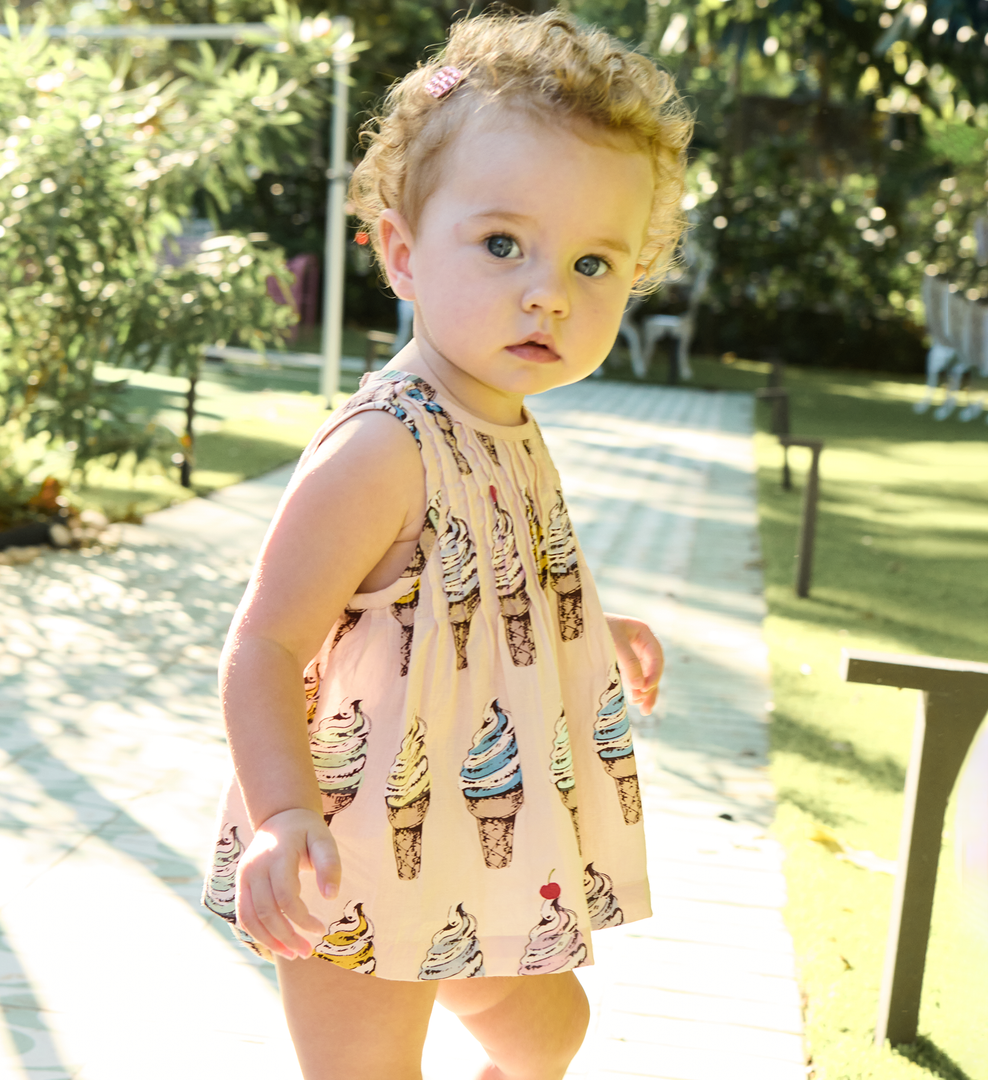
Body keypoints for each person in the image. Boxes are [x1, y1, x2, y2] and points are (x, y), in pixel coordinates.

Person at [202, 11, 692, 1079]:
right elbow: (264, 645)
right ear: (403, 253)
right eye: (503, 244)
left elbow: (476, 583)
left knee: (551, 1032)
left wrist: (588, 624)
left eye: (593, 262)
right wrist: (283, 817)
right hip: (353, 847)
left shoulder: (505, 421)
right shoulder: (383, 446)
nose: (548, 291)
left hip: (476, 845)